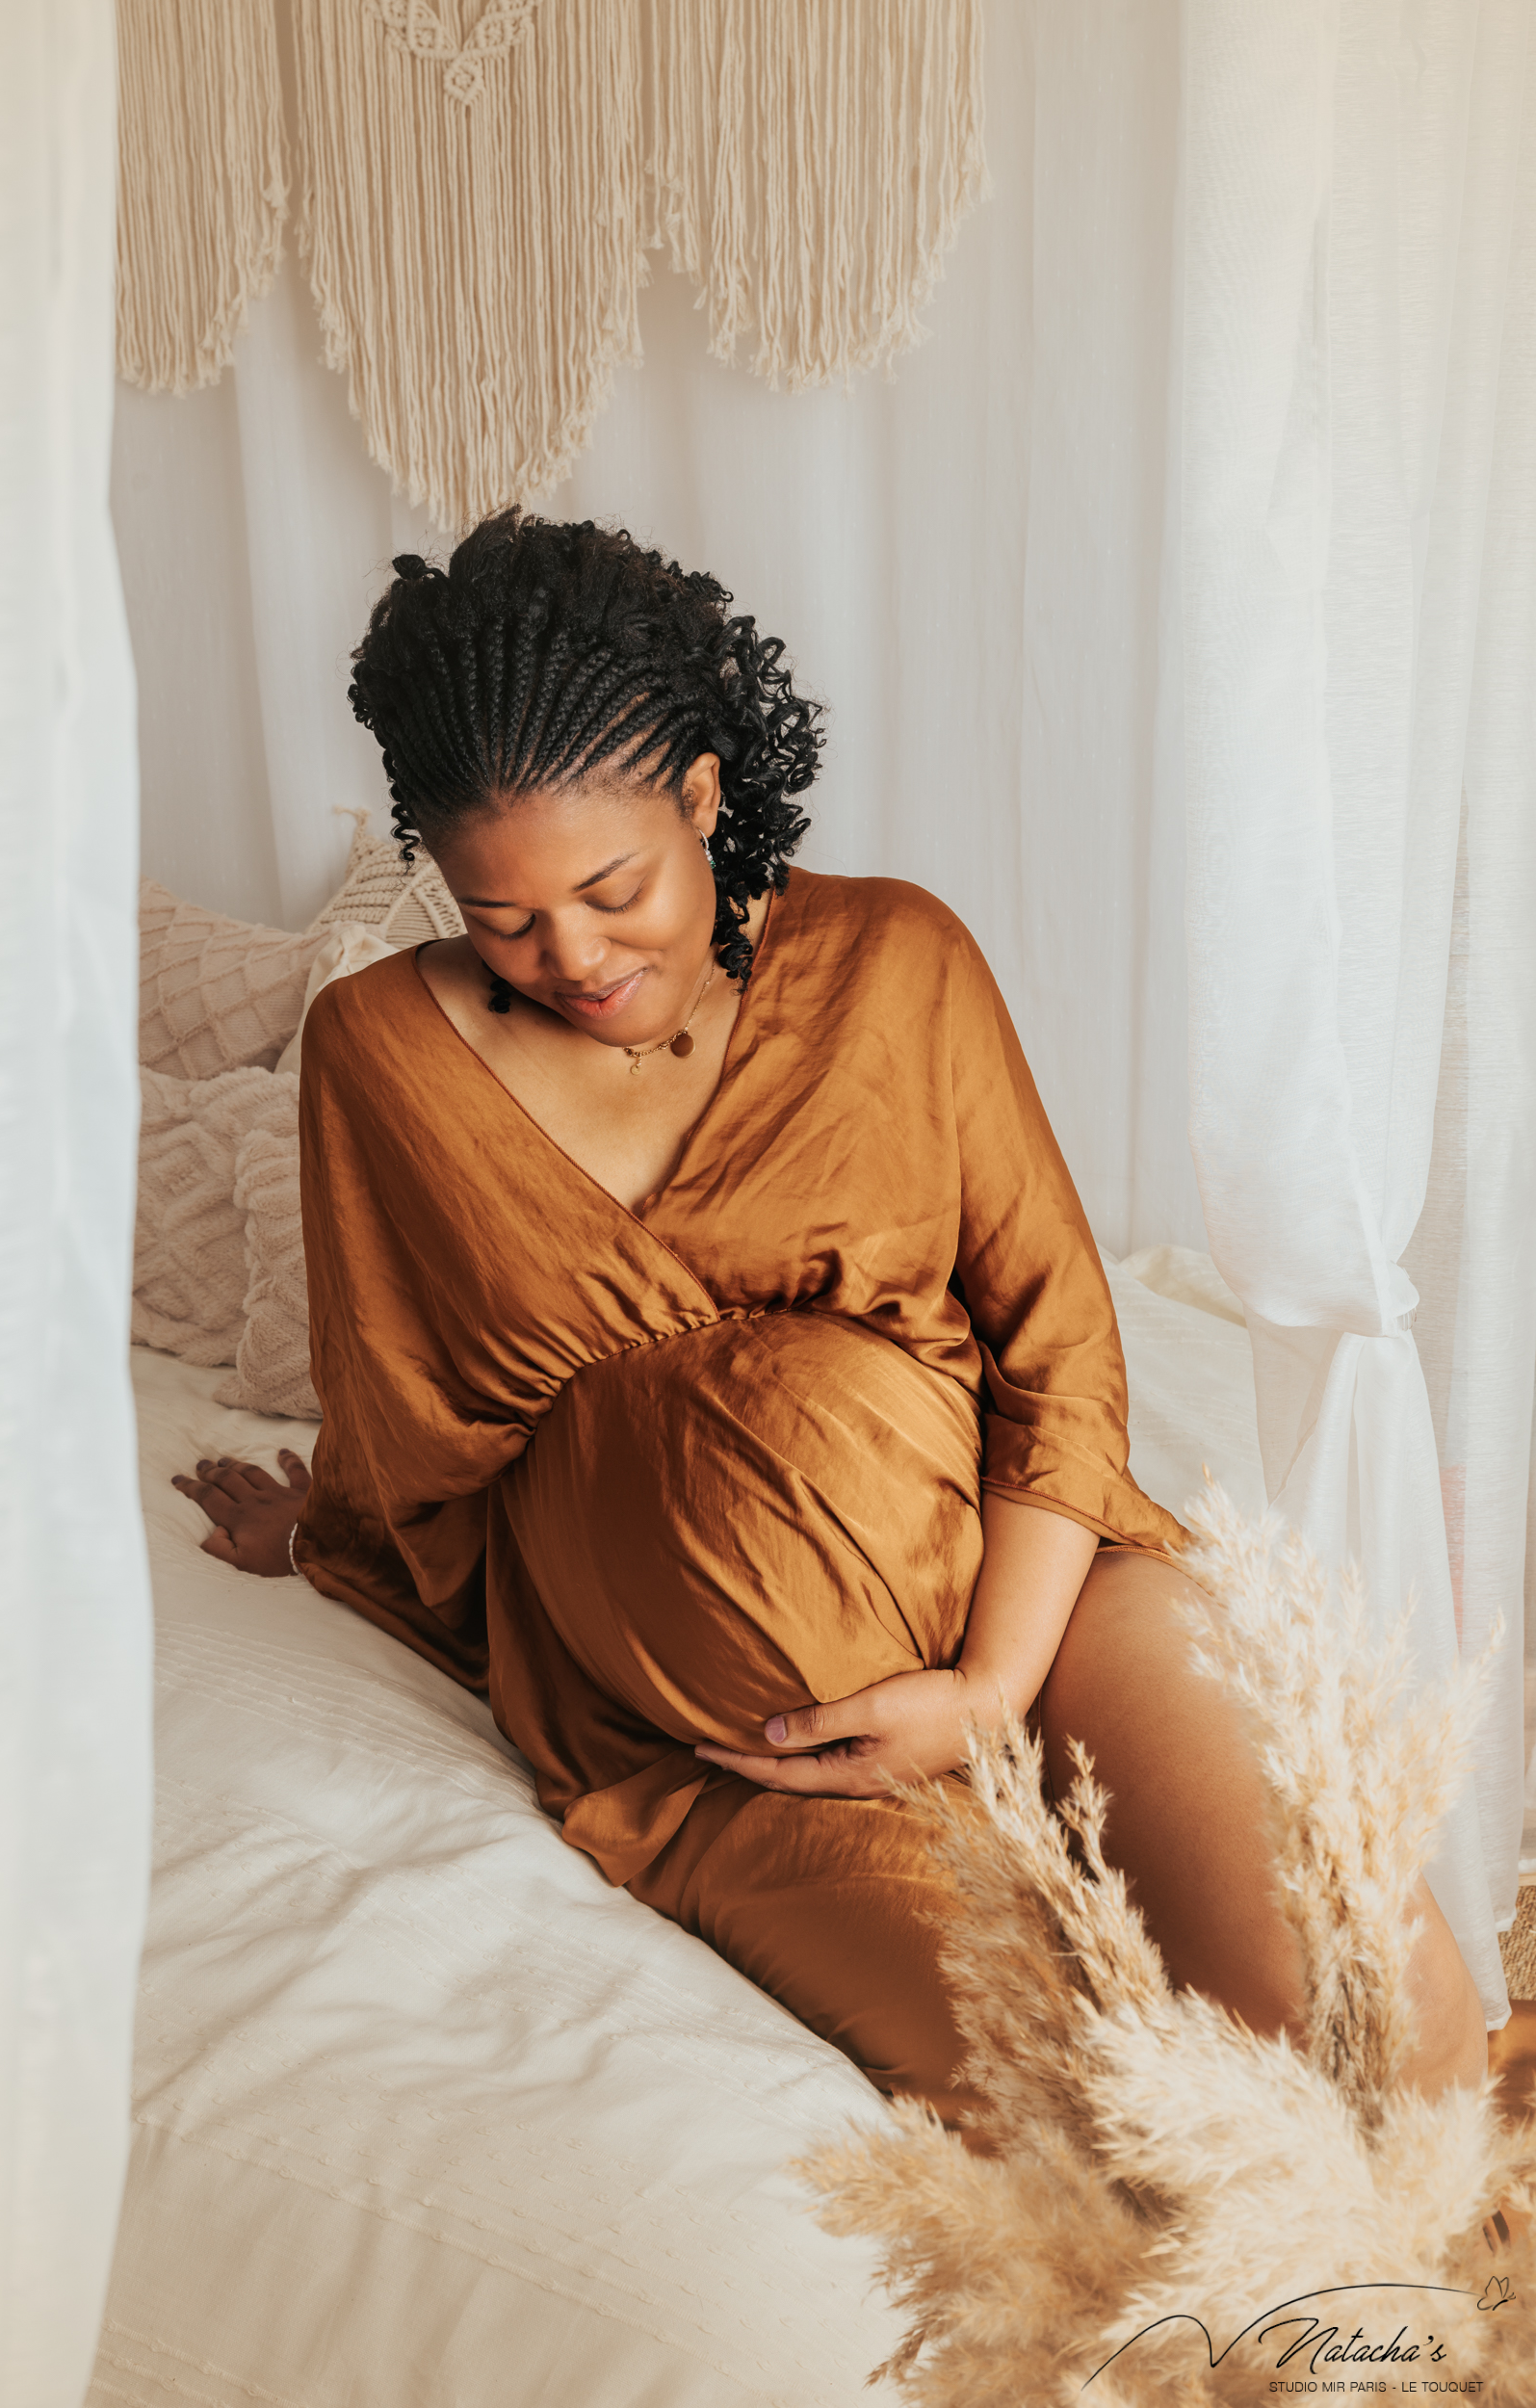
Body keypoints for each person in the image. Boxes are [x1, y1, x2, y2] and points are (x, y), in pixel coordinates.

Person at [173, 511, 1486, 2134]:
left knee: (1390, 2019)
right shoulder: (379, 1050)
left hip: (1030, 1601)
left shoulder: (895, 961)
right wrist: (331, 1526)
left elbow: (1061, 1342)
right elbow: (412, 1419)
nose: (569, 958)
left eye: (612, 888)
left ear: (704, 799)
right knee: (1130, 2121)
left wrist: (995, 1685)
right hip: (729, 1751)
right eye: (500, 916)